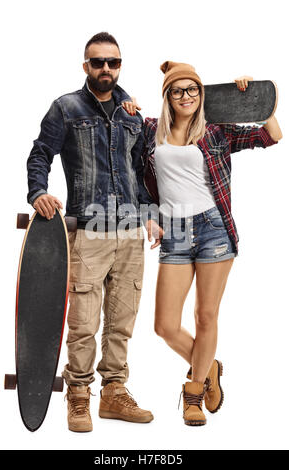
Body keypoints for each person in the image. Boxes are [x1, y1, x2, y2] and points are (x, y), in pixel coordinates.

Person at [26, 32, 162, 432]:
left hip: (131, 231)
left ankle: (115, 393)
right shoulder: (66, 108)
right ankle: (80, 395)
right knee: (83, 321)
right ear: (86, 65)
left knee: (122, 320)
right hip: (88, 231)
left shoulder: (131, 111)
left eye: (113, 62)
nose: (106, 69)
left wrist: (151, 211)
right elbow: (40, 153)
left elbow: (141, 170)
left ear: (120, 65)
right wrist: (38, 192)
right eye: (98, 62)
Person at [139, 61, 282, 426]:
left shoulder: (216, 131)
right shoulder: (150, 131)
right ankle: (208, 364)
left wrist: (253, 101)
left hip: (212, 228)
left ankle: (194, 393)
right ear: (167, 96)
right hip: (175, 233)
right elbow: (137, 176)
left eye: (193, 89)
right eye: (178, 90)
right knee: (165, 326)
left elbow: (271, 136)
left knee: (206, 316)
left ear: (201, 94)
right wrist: (149, 215)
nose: (186, 96)